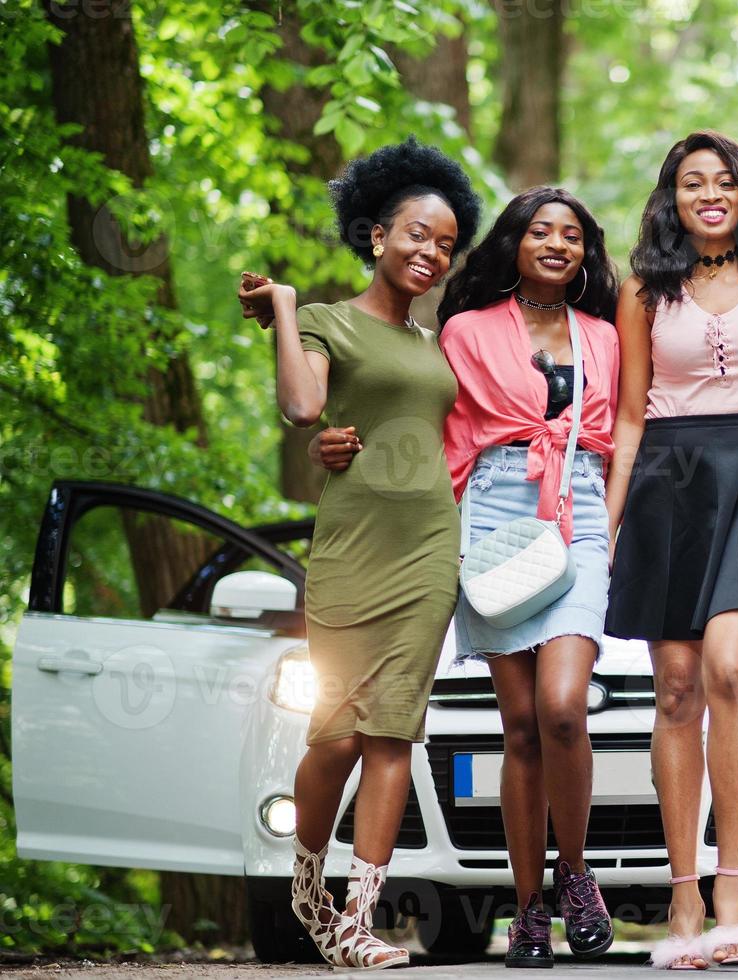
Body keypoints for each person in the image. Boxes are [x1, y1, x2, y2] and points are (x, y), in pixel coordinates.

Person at [310, 186, 622, 968]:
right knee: (518, 727)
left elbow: (626, 434)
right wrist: (337, 443)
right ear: (513, 244)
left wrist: (610, 528)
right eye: (539, 231)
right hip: (490, 511)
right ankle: (526, 912)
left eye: (572, 235)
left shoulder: (605, 337)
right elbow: (415, 410)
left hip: (578, 509)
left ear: (587, 253)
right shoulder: (465, 330)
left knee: (560, 707)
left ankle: (575, 873)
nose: (556, 243)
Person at [237, 137, 482, 970]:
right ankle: (307, 879)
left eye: (447, 243)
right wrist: (284, 304)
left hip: (428, 547)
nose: (432, 252)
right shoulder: (324, 320)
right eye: (418, 233)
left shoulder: (436, 342)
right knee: (335, 736)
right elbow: (304, 408)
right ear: (376, 236)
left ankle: (356, 918)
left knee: (391, 736)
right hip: (350, 545)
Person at [602, 131, 738, 970]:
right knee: (678, 686)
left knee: (729, 669)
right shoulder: (643, 291)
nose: (709, 194)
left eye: (723, 181)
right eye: (693, 183)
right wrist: (608, 523)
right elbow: (627, 416)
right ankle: (681, 896)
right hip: (666, 484)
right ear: (672, 198)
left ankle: (734, 892)